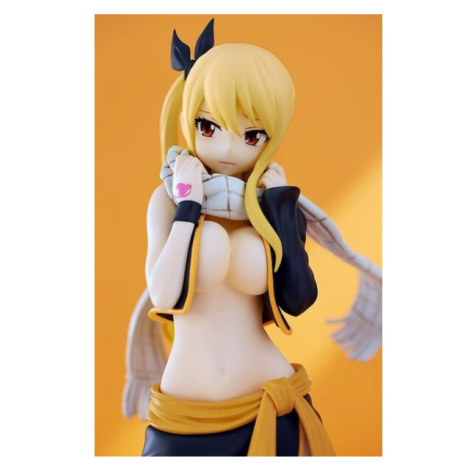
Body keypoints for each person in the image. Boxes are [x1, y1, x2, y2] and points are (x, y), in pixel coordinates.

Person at [122, 18, 382, 457]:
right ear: (188, 119)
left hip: (272, 403)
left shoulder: (270, 203)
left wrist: (280, 209)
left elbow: (298, 298)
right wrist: (189, 206)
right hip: (186, 415)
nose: (228, 149)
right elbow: (164, 294)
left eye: (251, 134)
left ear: (271, 137)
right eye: (209, 127)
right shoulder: (168, 198)